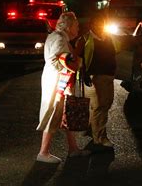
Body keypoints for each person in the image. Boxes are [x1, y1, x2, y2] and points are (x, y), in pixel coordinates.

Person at [36, 12, 91, 163]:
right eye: (76, 25)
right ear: (69, 26)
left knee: (67, 114)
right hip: (58, 83)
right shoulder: (60, 38)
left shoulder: (58, 36)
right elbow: (57, 60)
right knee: (54, 113)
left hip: (59, 81)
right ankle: (43, 152)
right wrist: (72, 66)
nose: (78, 28)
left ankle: (73, 149)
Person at [75, 14, 116, 148]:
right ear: (91, 25)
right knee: (100, 106)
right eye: (98, 23)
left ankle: (93, 130)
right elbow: (78, 59)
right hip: (95, 77)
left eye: (102, 23)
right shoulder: (85, 39)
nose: (101, 26)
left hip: (108, 75)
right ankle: (100, 138)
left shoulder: (108, 37)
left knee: (106, 104)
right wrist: (85, 75)